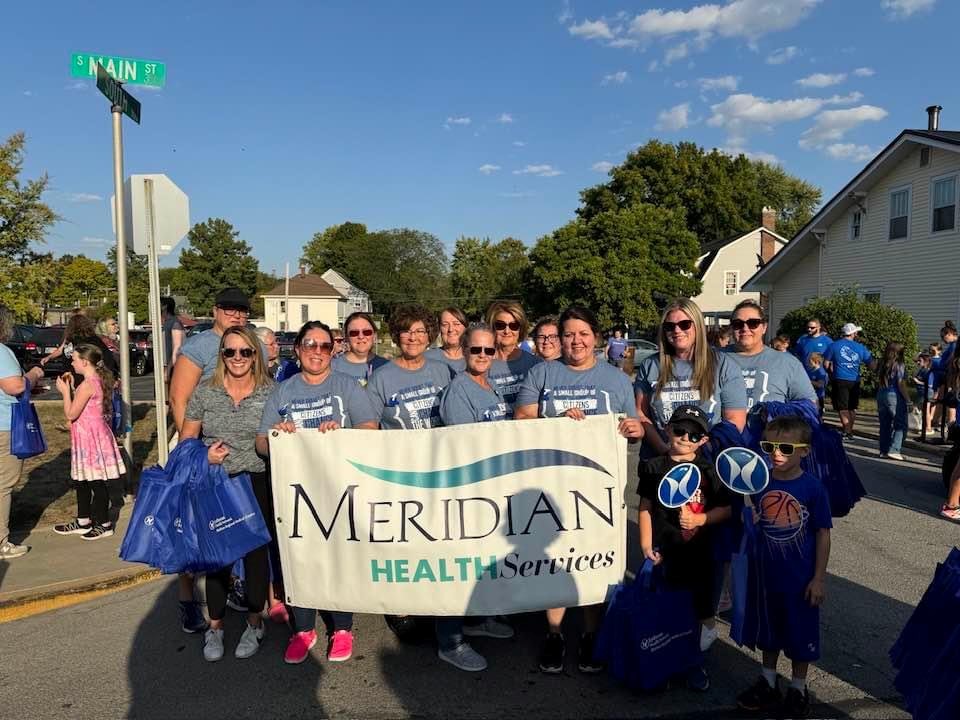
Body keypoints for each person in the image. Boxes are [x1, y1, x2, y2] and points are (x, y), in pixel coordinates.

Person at [514, 305, 644, 674]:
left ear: (596, 337)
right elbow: (521, 418)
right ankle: (554, 634)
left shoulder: (616, 379)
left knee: (592, 558)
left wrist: (632, 430)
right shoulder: (543, 372)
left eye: (583, 333)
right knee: (553, 557)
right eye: (568, 334)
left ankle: (591, 634)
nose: (575, 341)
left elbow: (629, 424)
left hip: (597, 489)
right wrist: (555, 421)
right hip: (550, 482)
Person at [256, 320, 379, 664]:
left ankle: (342, 628)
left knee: (341, 557)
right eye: (309, 345)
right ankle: (303, 629)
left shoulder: (347, 386)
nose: (317, 352)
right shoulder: (284, 392)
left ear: (333, 350)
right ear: (297, 350)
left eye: (325, 346)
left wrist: (341, 433)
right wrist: (278, 437)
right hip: (297, 496)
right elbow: (261, 443)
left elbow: (370, 428)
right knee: (301, 560)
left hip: (341, 489)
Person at [180, 326, 273, 662]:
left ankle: (254, 622)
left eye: (245, 352)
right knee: (217, 558)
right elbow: (186, 441)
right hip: (216, 482)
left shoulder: (270, 392)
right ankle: (215, 627)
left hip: (256, 481)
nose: (237, 358)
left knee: (255, 556)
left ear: (255, 355)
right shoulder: (205, 393)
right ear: (221, 356)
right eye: (230, 352)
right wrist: (204, 456)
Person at [365, 305, 452, 643]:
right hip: (399, 474)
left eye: (420, 331)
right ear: (397, 335)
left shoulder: (443, 371)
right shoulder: (382, 377)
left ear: (430, 335)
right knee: (404, 543)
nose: (413, 337)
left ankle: (435, 604)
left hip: (440, 470)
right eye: (406, 331)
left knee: (437, 540)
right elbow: (368, 424)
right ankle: (402, 607)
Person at [169, 287, 252, 633]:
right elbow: (179, 399)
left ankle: (234, 587)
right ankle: (188, 605)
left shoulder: (251, 344)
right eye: (229, 309)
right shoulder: (199, 346)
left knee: (235, 527)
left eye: (241, 310)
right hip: (204, 453)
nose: (235, 314)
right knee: (194, 534)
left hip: (241, 454)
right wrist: (195, 453)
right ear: (215, 310)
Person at [737, 416, 832, 718]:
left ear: (804, 451)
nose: (776, 453)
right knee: (769, 631)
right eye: (769, 446)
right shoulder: (760, 482)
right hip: (766, 575)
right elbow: (754, 518)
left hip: (799, 579)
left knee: (799, 634)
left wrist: (818, 578)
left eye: (786, 448)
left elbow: (823, 533)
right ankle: (768, 681)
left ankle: (798, 687)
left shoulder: (813, 488)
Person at [433, 322, 514, 672]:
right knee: (457, 567)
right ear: (464, 351)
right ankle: (450, 641)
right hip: (467, 490)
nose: (482, 356)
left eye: (489, 350)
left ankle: (478, 619)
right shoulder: (458, 389)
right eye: (475, 350)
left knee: (481, 562)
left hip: (491, 490)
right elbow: (463, 446)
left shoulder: (490, 386)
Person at [637, 405, 732, 691]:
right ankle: (665, 662)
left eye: (693, 435)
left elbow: (726, 510)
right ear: (667, 428)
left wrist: (701, 518)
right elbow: (645, 507)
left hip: (701, 553)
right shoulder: (654, 467)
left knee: (699, 611)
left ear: (703, 440)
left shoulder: (709, 469)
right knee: (667, 609)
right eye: (679, 430)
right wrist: (644, 543)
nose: (684, 438)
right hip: (667, 551)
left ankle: (694, 664)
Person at [635, 298, 747, 456]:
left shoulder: (723, 364)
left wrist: (696, 453)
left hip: (706, 460)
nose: (677, 330)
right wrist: (663, 449)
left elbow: (734, 420)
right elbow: (641, 413)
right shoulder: (650, 365)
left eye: (684, 324)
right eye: (670, 326)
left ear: (698, 326)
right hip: (660, 460)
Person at [52, 344, 126, 541]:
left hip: (90, 439)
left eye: (74, 359)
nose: (72, 362)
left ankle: (104, 523)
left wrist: (65, 392)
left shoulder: (88, 384)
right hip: (89, 436)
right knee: (82, 479)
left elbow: (71, 413)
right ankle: (83, 519)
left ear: (84, 362)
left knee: (95, 481)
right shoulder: (96, 380)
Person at [0, 304, 46, 558]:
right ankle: (1, 542)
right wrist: (34, 375)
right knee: (3, 484)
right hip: (5, 426)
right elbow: (15, 386)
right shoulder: (2, 352)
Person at [725, 300, 818, 413]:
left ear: (764, 327)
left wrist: (779, 417)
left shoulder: (787, 363)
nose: (745, 328)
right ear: (731, 328)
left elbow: (810, 405)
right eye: (738, 324)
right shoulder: (714, 359)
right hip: (723, 429)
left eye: (753, 323)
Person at [486, 301, 542, 414]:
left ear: (520, 329)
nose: (507, 331)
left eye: (514, 325)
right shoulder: (482, 364)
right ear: (492, 328)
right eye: (500, 325)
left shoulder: (536, 364)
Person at [823, 323, 875, 440]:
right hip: (855, 380)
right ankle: (849, 430)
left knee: (843, 407)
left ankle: (847, 431)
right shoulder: (860, 347)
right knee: (852, 406)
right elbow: (871, 363)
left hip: (839, 379)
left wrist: (831, 372)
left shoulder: (834, 346)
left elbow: (826, 363)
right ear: (853, 333)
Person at [40, 313, 119, 376]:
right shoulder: (69, 338)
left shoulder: (90, 339)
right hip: (69, 371)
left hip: (82, 373)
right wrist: (49, 357)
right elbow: (61, 349)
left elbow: (104, 356)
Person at [876, 342, 912, 461]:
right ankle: (894, 449)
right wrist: (908, 400)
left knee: (885, 424)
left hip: (881, 393)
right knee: (900, 424)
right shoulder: (899, 364)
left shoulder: (882, 362)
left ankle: (884, 450)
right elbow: (901, 384)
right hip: (894, 394)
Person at [332, 311, 389, 385]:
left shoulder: (387, 367)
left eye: (367, 332)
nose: (361, 337)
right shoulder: (332, 368)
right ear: (346, 337)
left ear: (374, 336)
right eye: (354, 333)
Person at [932, 321, 958, 427]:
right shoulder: (952, 345)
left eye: (944, 337)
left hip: (950, 377)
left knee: (950, 401)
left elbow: (950, 360)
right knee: (941, 399)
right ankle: (935, 420)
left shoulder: (955, 345)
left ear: (950, 334)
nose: (943, 340)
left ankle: (950, 423)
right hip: (946, 376)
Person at [425, 307, 467, 373]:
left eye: (456, 324)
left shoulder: (479, 357)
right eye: (445, 325)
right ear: (440, 328)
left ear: (466, 327)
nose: (450, 329)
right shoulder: (426, 358)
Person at [161, 297, 185, 382]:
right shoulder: (166, 323)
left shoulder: (175, 323)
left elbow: (177, 347)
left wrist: (168, 370)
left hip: (171, 368)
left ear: (165, 307)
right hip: (163, 366)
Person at [807, 352, 828, 420]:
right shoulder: (811, 370)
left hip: (818, 396)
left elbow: (820, 385)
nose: (808, 363)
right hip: (811, 395)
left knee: (817, 414)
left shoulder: (821, 372)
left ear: (816, 361)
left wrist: (809, 381)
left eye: (810, 361)